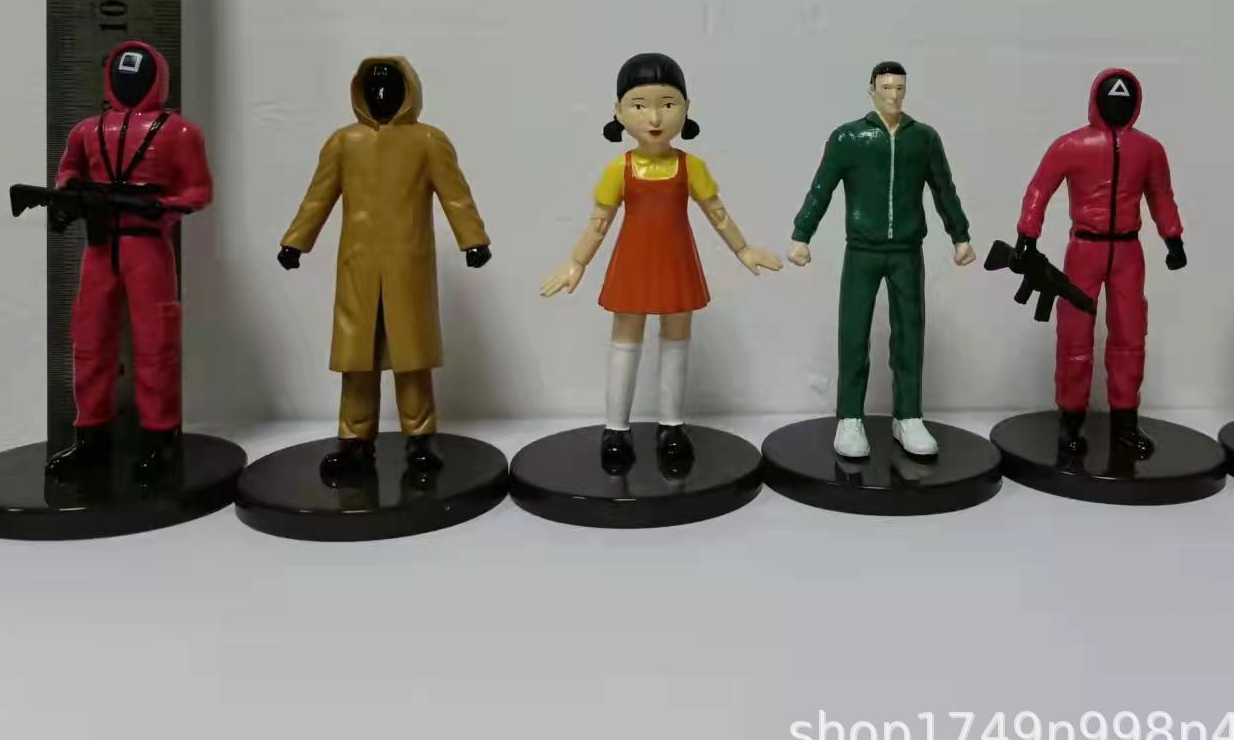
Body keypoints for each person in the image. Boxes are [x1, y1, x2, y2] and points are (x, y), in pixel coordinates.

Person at [542, 52, 781, 472]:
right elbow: (598, 223)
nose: (654, 117)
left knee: (676, 336)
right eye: (639, 105)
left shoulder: (691, 167)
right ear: (618, 112)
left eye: (667, 104)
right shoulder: (619, 169)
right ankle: (616, 429)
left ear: (686, 108)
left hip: (676, 262)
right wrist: (575, 263)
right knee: (626, 336)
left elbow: (718, 214)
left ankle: (671, 426)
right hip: (632, 263)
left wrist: (744, 250)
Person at [279, 56, 491, 481]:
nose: (380, 94)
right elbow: (319, 196)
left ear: (408, 92)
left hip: (407, 264)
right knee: (356, 359)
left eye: (390, 87)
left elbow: (455, 195)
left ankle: (421, 438)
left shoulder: (428, 141)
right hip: (357, 266)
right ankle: (354, 440)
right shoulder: (344, 142)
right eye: (372, 87)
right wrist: (295, 241)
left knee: (412, 358)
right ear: (359, 93)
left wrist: (473, 239)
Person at [789, 61, 974, 459]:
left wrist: (960, 235)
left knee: (910, 333)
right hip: (862, 250)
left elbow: (944, 188)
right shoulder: (849, 137)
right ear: (871, 90)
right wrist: (802, 233)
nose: (893, 95)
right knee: (853, 332)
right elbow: (821, 187)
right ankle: (849, 417)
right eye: (886, 87)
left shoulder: (923, 138)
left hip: (907, 250)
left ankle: (908, 416)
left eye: (899, 88)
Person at [48, 40, 213, 481]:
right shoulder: (86, 131)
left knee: (156, 344)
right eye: (121, 72)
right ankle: (91, 436)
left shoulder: (180, 132)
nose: (129, 81)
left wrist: (165, 206)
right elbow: (68, 170)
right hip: (100, 245)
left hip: (148, 246)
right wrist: (69, 193)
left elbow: (199, 191)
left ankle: (160, 437)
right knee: (89, 340)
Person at [1013, 67, 1185, 458]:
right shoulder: (1071, 145)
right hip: (1085, 249)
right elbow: (1040, 189)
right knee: (1075, 335)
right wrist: (1027, 234)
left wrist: (1172, 237)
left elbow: (1161, 195)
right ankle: (1070, 423)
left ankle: (1125, 424)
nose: (1118, 104)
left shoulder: (1149, 150)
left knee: (1130, 335)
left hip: (1127, 251)